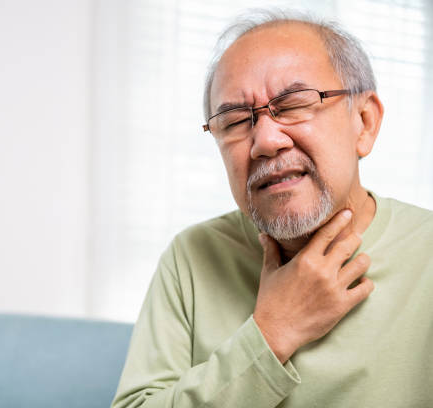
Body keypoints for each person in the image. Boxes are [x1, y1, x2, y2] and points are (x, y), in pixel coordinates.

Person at [111, 9, 433, 408]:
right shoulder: (191, 256)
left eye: (294, 103)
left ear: (364, 123)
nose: (265, 140)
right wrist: (273, 332)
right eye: (234, 121)